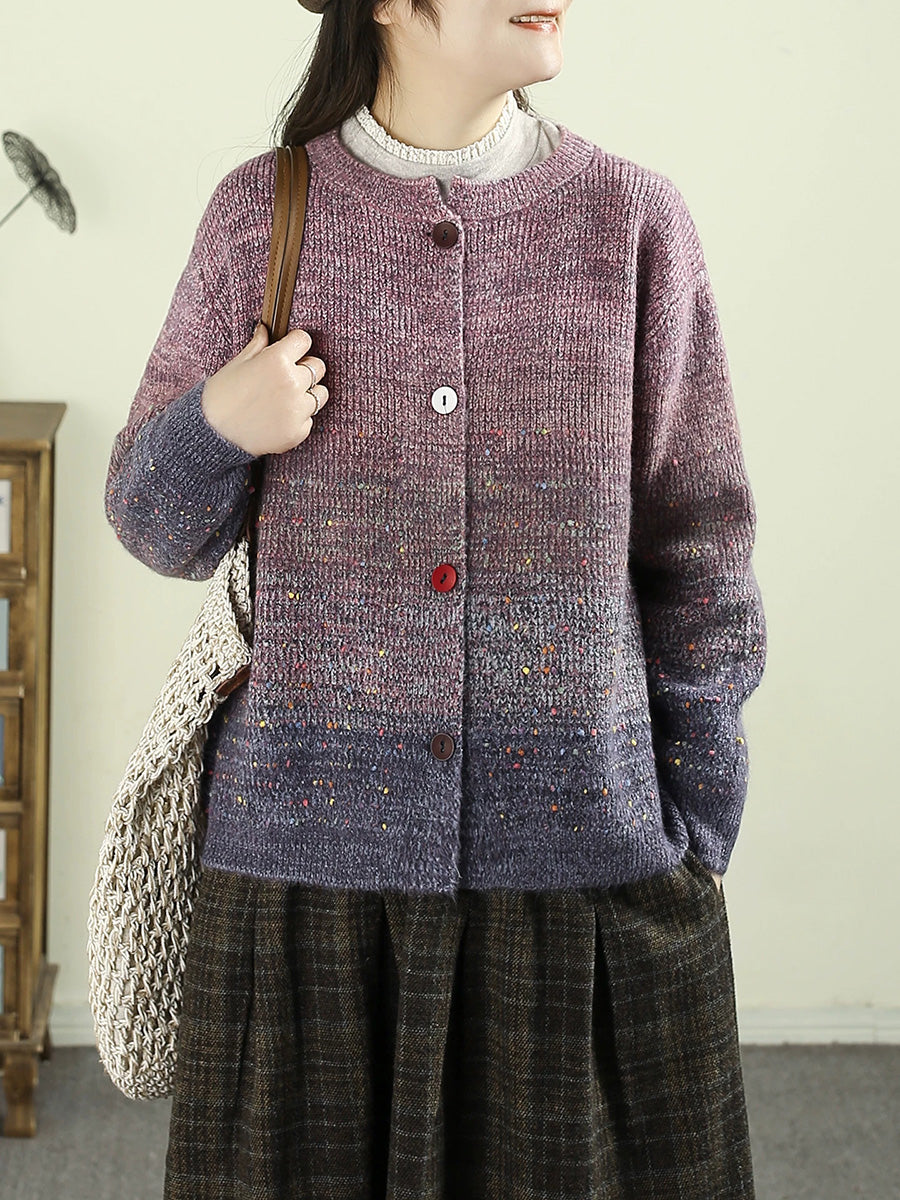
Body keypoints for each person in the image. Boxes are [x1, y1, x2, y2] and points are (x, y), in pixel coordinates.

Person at [104, 0, 768, 1195]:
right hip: (304, 884)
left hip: (581, 870)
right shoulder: (261, 216)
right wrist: (220, 423)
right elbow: (153, 524)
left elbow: (702, 548)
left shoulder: (631, 223)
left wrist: (697, 820)